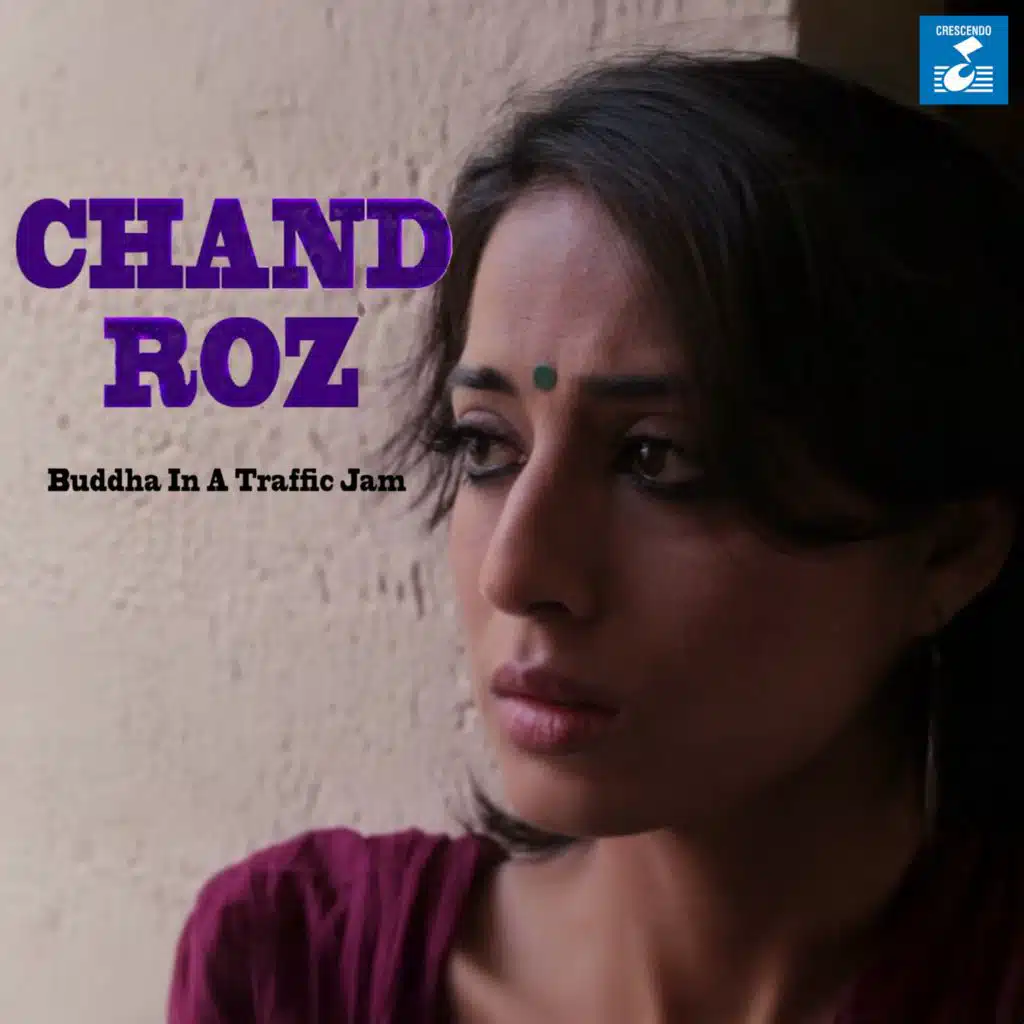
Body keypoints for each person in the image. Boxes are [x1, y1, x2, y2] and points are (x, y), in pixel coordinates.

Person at [166, 51, 1024, 1023]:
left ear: (947, 551)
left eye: (656, 459)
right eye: (486, 445)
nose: (516, 571)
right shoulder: (294, 965)